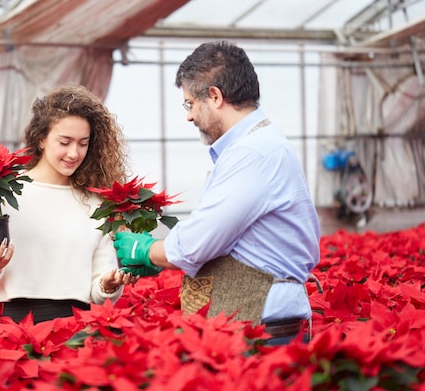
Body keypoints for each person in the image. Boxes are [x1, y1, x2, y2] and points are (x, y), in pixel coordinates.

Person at [113, 41, 321, 345]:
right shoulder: (257, 145)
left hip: (262, 328)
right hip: (262, 321)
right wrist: (160, 255)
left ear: (214, 96)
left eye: (190, 104)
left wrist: (144, 250)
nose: (188, 116)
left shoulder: (253, 153)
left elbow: (197, 243)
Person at [0, 84, 137, 324]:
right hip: (14, 329)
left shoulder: (97, 203)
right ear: (41, 139)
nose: (74, 153)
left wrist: (108, 285)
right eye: (64, 142)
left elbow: (99, 290)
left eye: (83, 143)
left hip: (76, 329)